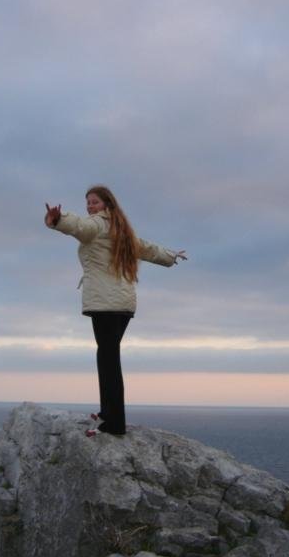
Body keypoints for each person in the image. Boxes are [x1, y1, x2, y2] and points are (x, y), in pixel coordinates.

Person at [44, 185, 187, 438]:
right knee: (109, 359)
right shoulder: (120, 229)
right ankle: (109, 414)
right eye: (88, 202)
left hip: (105, 303)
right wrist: (170, 255)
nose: (90, 206)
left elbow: (80, 226)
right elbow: (145, 248)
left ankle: (114, 423)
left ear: (107, 205)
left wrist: (58, 220)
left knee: (108, 361)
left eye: (95, 202)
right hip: (122, 304)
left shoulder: (98, 224)